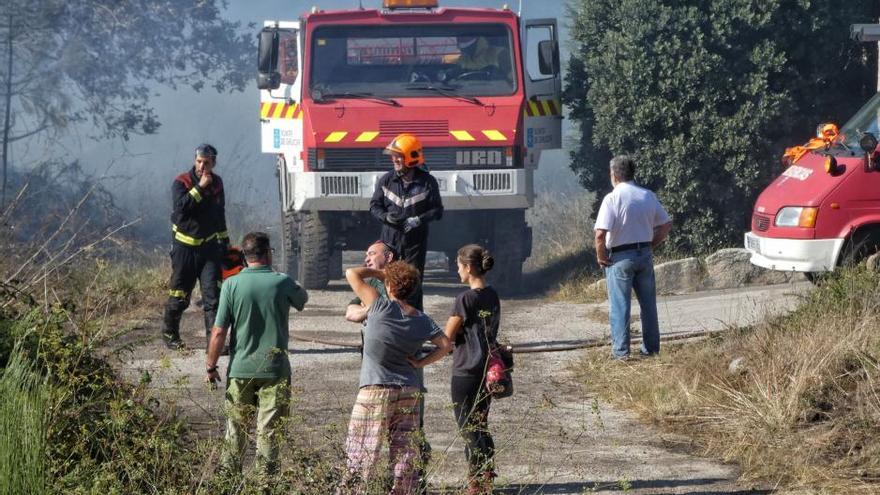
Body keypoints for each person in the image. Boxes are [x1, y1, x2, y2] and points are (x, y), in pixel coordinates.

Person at [339, 261, 451, 495]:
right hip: (409, 388)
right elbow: (445, 345)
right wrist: (420, 363)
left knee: (361, 450)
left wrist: (381, 274)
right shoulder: (422, 319)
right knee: (405, 452)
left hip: (375, 390)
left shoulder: (380, 306)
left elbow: (352, 273)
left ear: (389, 286)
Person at [205, 232, 308, 480]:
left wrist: (210, 366)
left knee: (235, 430)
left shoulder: (231, 285)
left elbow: (218, 331)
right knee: (269, 432)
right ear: (269, 252)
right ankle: (266, 485)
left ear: (245, 256)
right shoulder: (282, 282)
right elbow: (302, 298)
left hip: (240, 370)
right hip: (275, 370)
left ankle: (227, 483)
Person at [594, 155, 672, 360]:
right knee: (648, 305)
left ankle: (621, 353)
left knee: (620, 307)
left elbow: (600, 234)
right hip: (644, 254)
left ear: (614, 175)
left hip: (620, 257)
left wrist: (601, 256)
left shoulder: (612, 198)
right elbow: (665, 224)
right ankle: (651, 349)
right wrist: (651, 244)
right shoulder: (647, 195)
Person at [444, 244, 500, 494]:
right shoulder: (492, 295)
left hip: (465, 370)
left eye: (458, 266)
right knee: (481, 425)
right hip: (487, 370)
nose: (457, 271)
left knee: (468, 428)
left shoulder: (464, 299)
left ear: (468, 267)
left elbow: (447, 336)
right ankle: (486, 477)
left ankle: (476, 483)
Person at [162, 143, 230, 350]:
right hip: (184, 249)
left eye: (206, 162)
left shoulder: (217, 184)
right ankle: (170, 335)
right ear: (195, 161)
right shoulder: (181, 181)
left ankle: (213, 343)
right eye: (199, 161)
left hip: (209, 249)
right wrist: (200, 186)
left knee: (213, 299)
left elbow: (220, 214)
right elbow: (182, 208)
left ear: (213, 163)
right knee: (180, 295)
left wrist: (225, 244)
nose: (202, 166)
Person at [369, 133, 444, 311]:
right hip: (389, 240)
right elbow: (374, 206)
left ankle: (415, 319)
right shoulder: (386, 180)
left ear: (411, 158)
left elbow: (437, 211)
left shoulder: (427, 182)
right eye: (393, 156)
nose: (394, 159)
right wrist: (385, 217)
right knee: (386, 278)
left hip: (414, 242)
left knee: (413, 281)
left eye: (398, 156)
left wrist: (418, 220)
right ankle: (386, 316)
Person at [442, 36, 509, 81]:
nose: (460, 39)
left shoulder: (500, 53)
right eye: (458, 37)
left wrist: (496, 75)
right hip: (465, 95)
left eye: (465, 36)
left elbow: (512, 81)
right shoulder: (460, 59)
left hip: (497, 94)